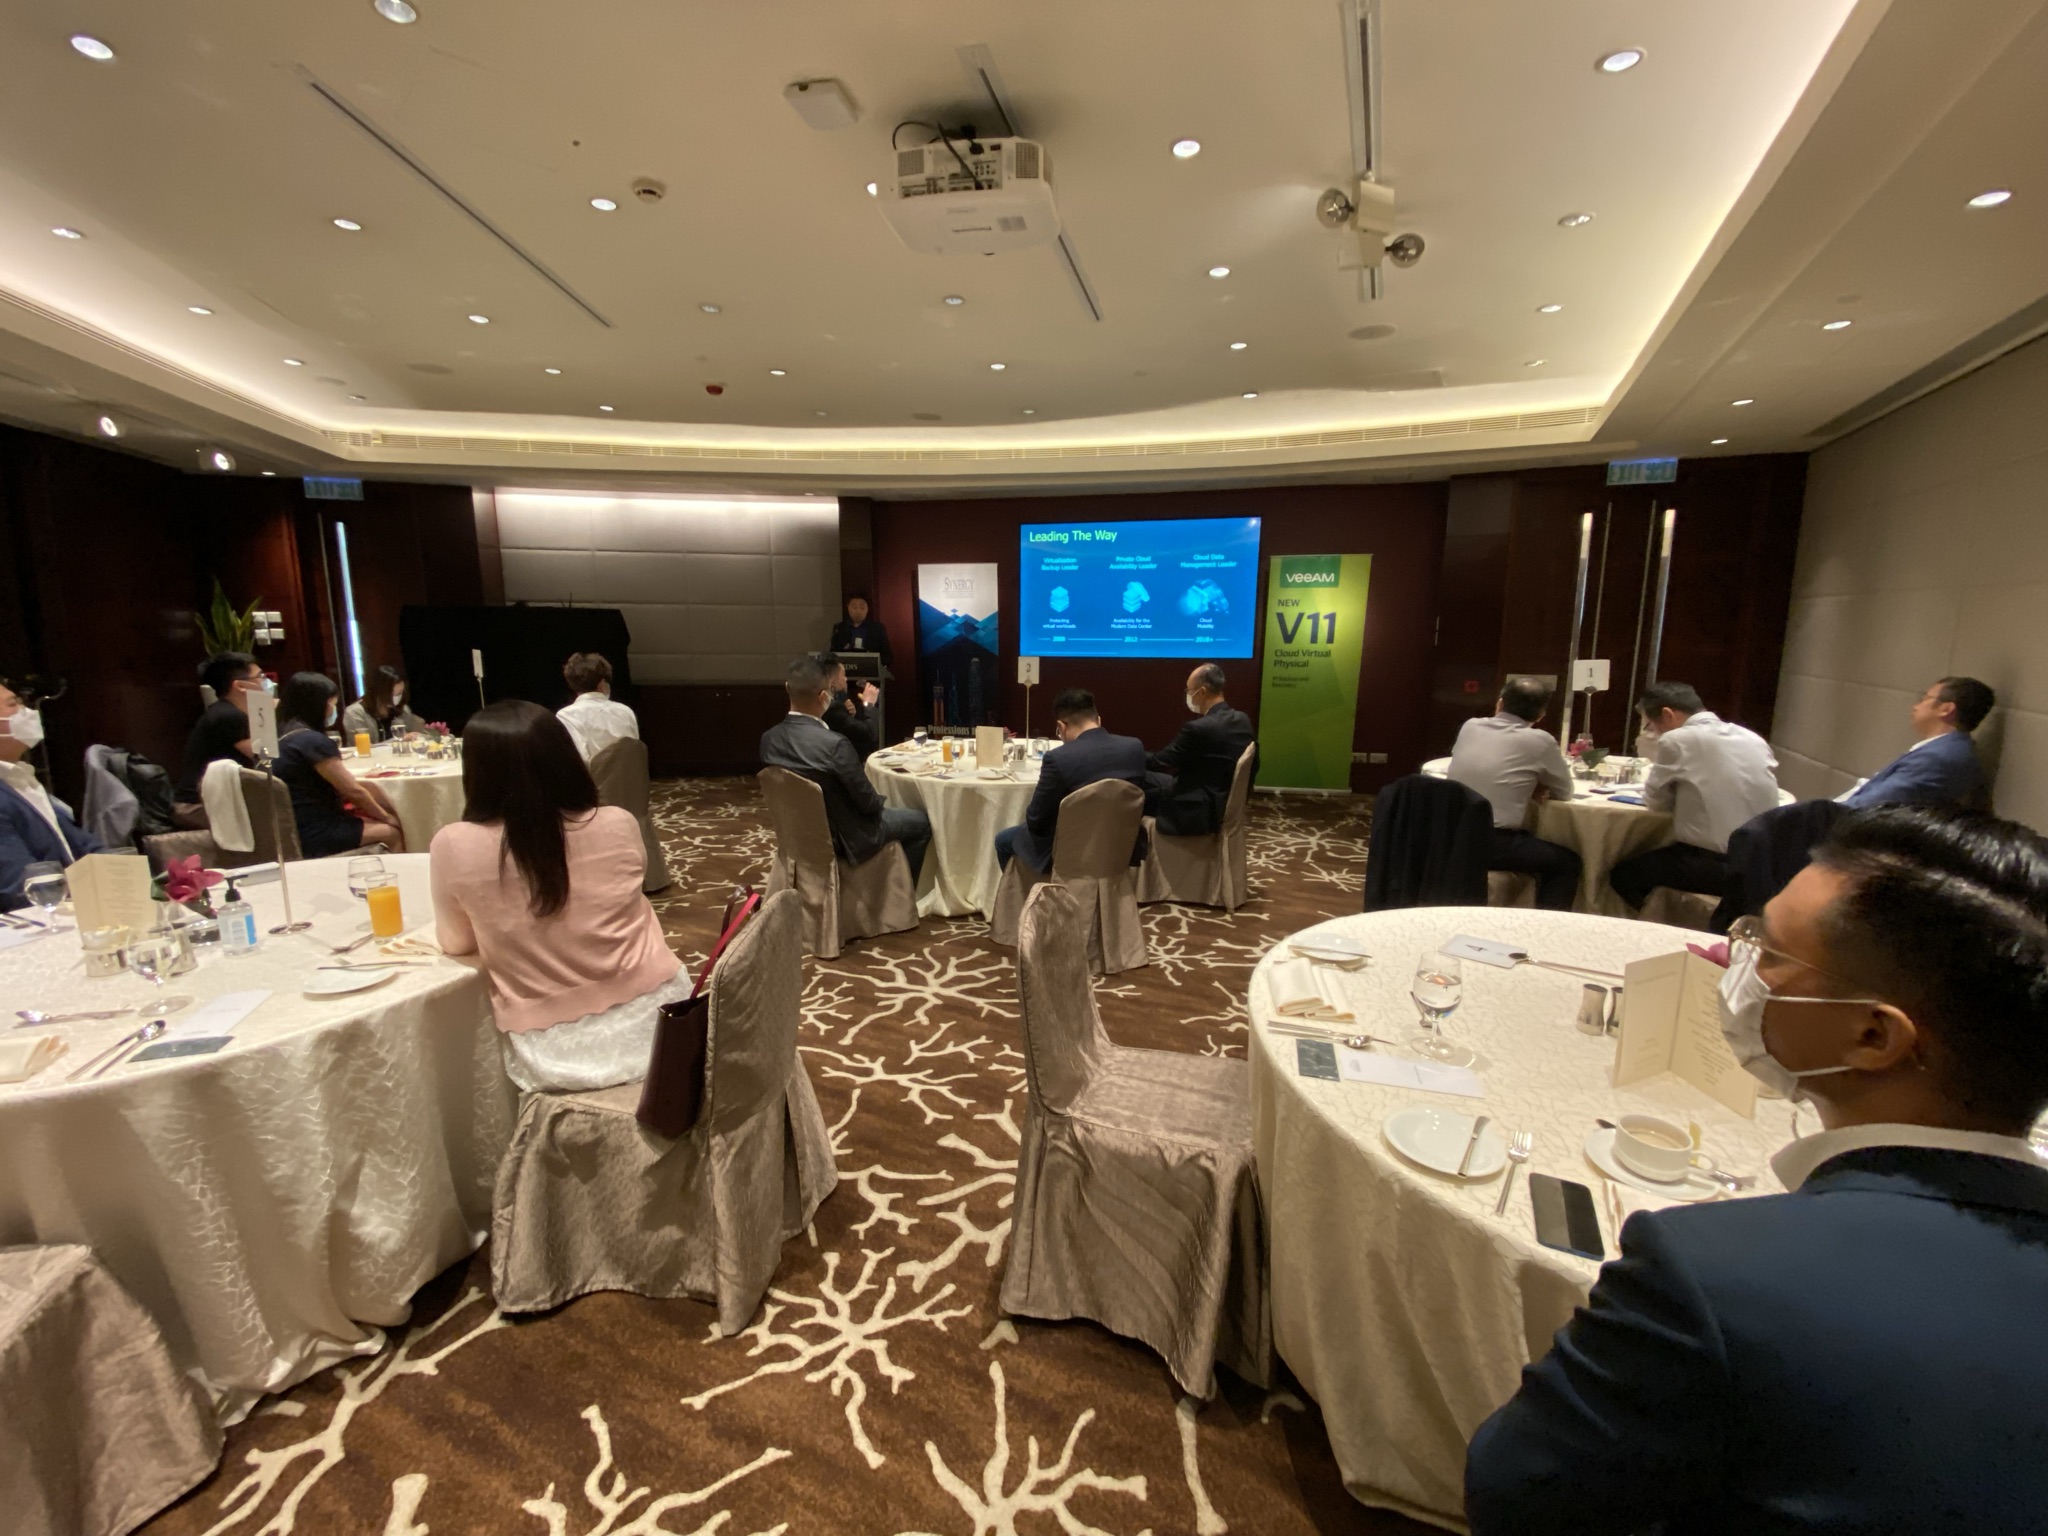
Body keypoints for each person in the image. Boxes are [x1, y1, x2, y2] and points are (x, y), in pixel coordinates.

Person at [1466, 805, 2048, 1536]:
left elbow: (1515, 1492)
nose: (1735, 964)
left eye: (1768, 952)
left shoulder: (1710, 1275)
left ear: (1873, 1034)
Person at [431, 701, 684, 1091]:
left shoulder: (453, 845)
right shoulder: (618, 822)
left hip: (559, 1053)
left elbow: (456, 943)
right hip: (667, 1024)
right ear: (566, 759)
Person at [1609, 682, 1779, 910]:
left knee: (1623, 875)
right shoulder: (1752, 738)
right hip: (1765, 863)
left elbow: (1656, 802)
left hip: (1716, 864)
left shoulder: (1677, 740)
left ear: (1667, 714)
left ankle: (1664, 924)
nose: (1654, 732)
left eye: (1651, 725)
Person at [761, 653, 930, 880]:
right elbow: (869, 804)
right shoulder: (835, 745)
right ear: (824, 696)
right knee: (921, 823)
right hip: (845, 839)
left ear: (787, 688)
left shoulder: (769, 740)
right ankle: (901, 893)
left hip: (797, 833)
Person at [1448, 677, 1582, 910]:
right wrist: (1536, 783)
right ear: (1541, 714)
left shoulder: (1470, 726)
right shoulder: (1541, 741)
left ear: (1500, 703)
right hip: (1493, 843)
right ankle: (1547, 923)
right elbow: (1564, 792)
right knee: (1567, 863)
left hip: (1449, 834)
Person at [995, 688, 1148, 874]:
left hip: (1071, 852)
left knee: (1003, 840)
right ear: (1098, 720)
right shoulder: (1134, 747)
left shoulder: (1058, 758)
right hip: (1120, 848)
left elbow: (1036, 820)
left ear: (1061, 726)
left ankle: (1033, 891)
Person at [272, 672, 406, 856]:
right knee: (393, 832)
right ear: (317, 705)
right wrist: (388, 818)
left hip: (289, 827)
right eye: (332, 704)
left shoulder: (280, 736)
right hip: (315, 831)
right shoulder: (312, 741)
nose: (333, 710)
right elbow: (353, 792)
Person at [1, 679, 101, 910]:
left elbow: (83, 846)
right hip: (36, 920)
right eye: (13, 704)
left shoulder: (21, 778)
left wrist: (121, 873)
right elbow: (18, 886)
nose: (26, 711)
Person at [1839, 675, 1994, 810]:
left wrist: (1826, 815)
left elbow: (1868, 806)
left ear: (1946, 709)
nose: (1915, 707)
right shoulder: (1943, 749)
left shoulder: (1937, 759)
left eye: (1924, 699)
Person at [1145, 664, 1255, 836]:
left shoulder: (1198, 728)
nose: (1188, 695)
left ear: (1202, 692)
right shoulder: (1242, 720)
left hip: (1196, 808)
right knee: (1148, 778)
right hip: (1220, 796)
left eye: (1189, 690)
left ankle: (1137, 850)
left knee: (1132, 795)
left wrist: (1130, 753)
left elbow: (1160, 761)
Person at [173, 651, 266, 826]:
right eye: (260, 677)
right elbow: (264, 758)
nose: (266, 682)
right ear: (240, 685)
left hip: (215, 799)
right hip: (196, 806)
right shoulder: (228, 716)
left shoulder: (230, 711)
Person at [555, 652, 640, 764]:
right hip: (629, 774)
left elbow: (580, 760)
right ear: (602, 683)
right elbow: (635, 755)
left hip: (593, 775)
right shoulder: (625, 712)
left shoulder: (566, 715)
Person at [342, 664, 426, 746]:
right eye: (393, 694)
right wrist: (397, 741)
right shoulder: (355, 712)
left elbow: (414, 737)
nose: (397, 698)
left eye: (400, 693)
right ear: (379, 692)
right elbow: (363, 746)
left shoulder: (403, 709)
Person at [820, 654, 881, 761]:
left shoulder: (834, 703)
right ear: (832, 681)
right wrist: (869, 703)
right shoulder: (833, 708)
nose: (846, 679)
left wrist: (851, 716)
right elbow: (869, 735)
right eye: (843, 675)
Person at [828, 594, 893, 669]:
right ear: (848, 608)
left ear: (867, 609)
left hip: (870, 670)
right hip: (846, 671)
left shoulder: (877, 628)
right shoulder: (840, 628)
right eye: (854, 607)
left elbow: (887, 656)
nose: (858, 611)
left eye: (862, 608)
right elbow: (833, 654)